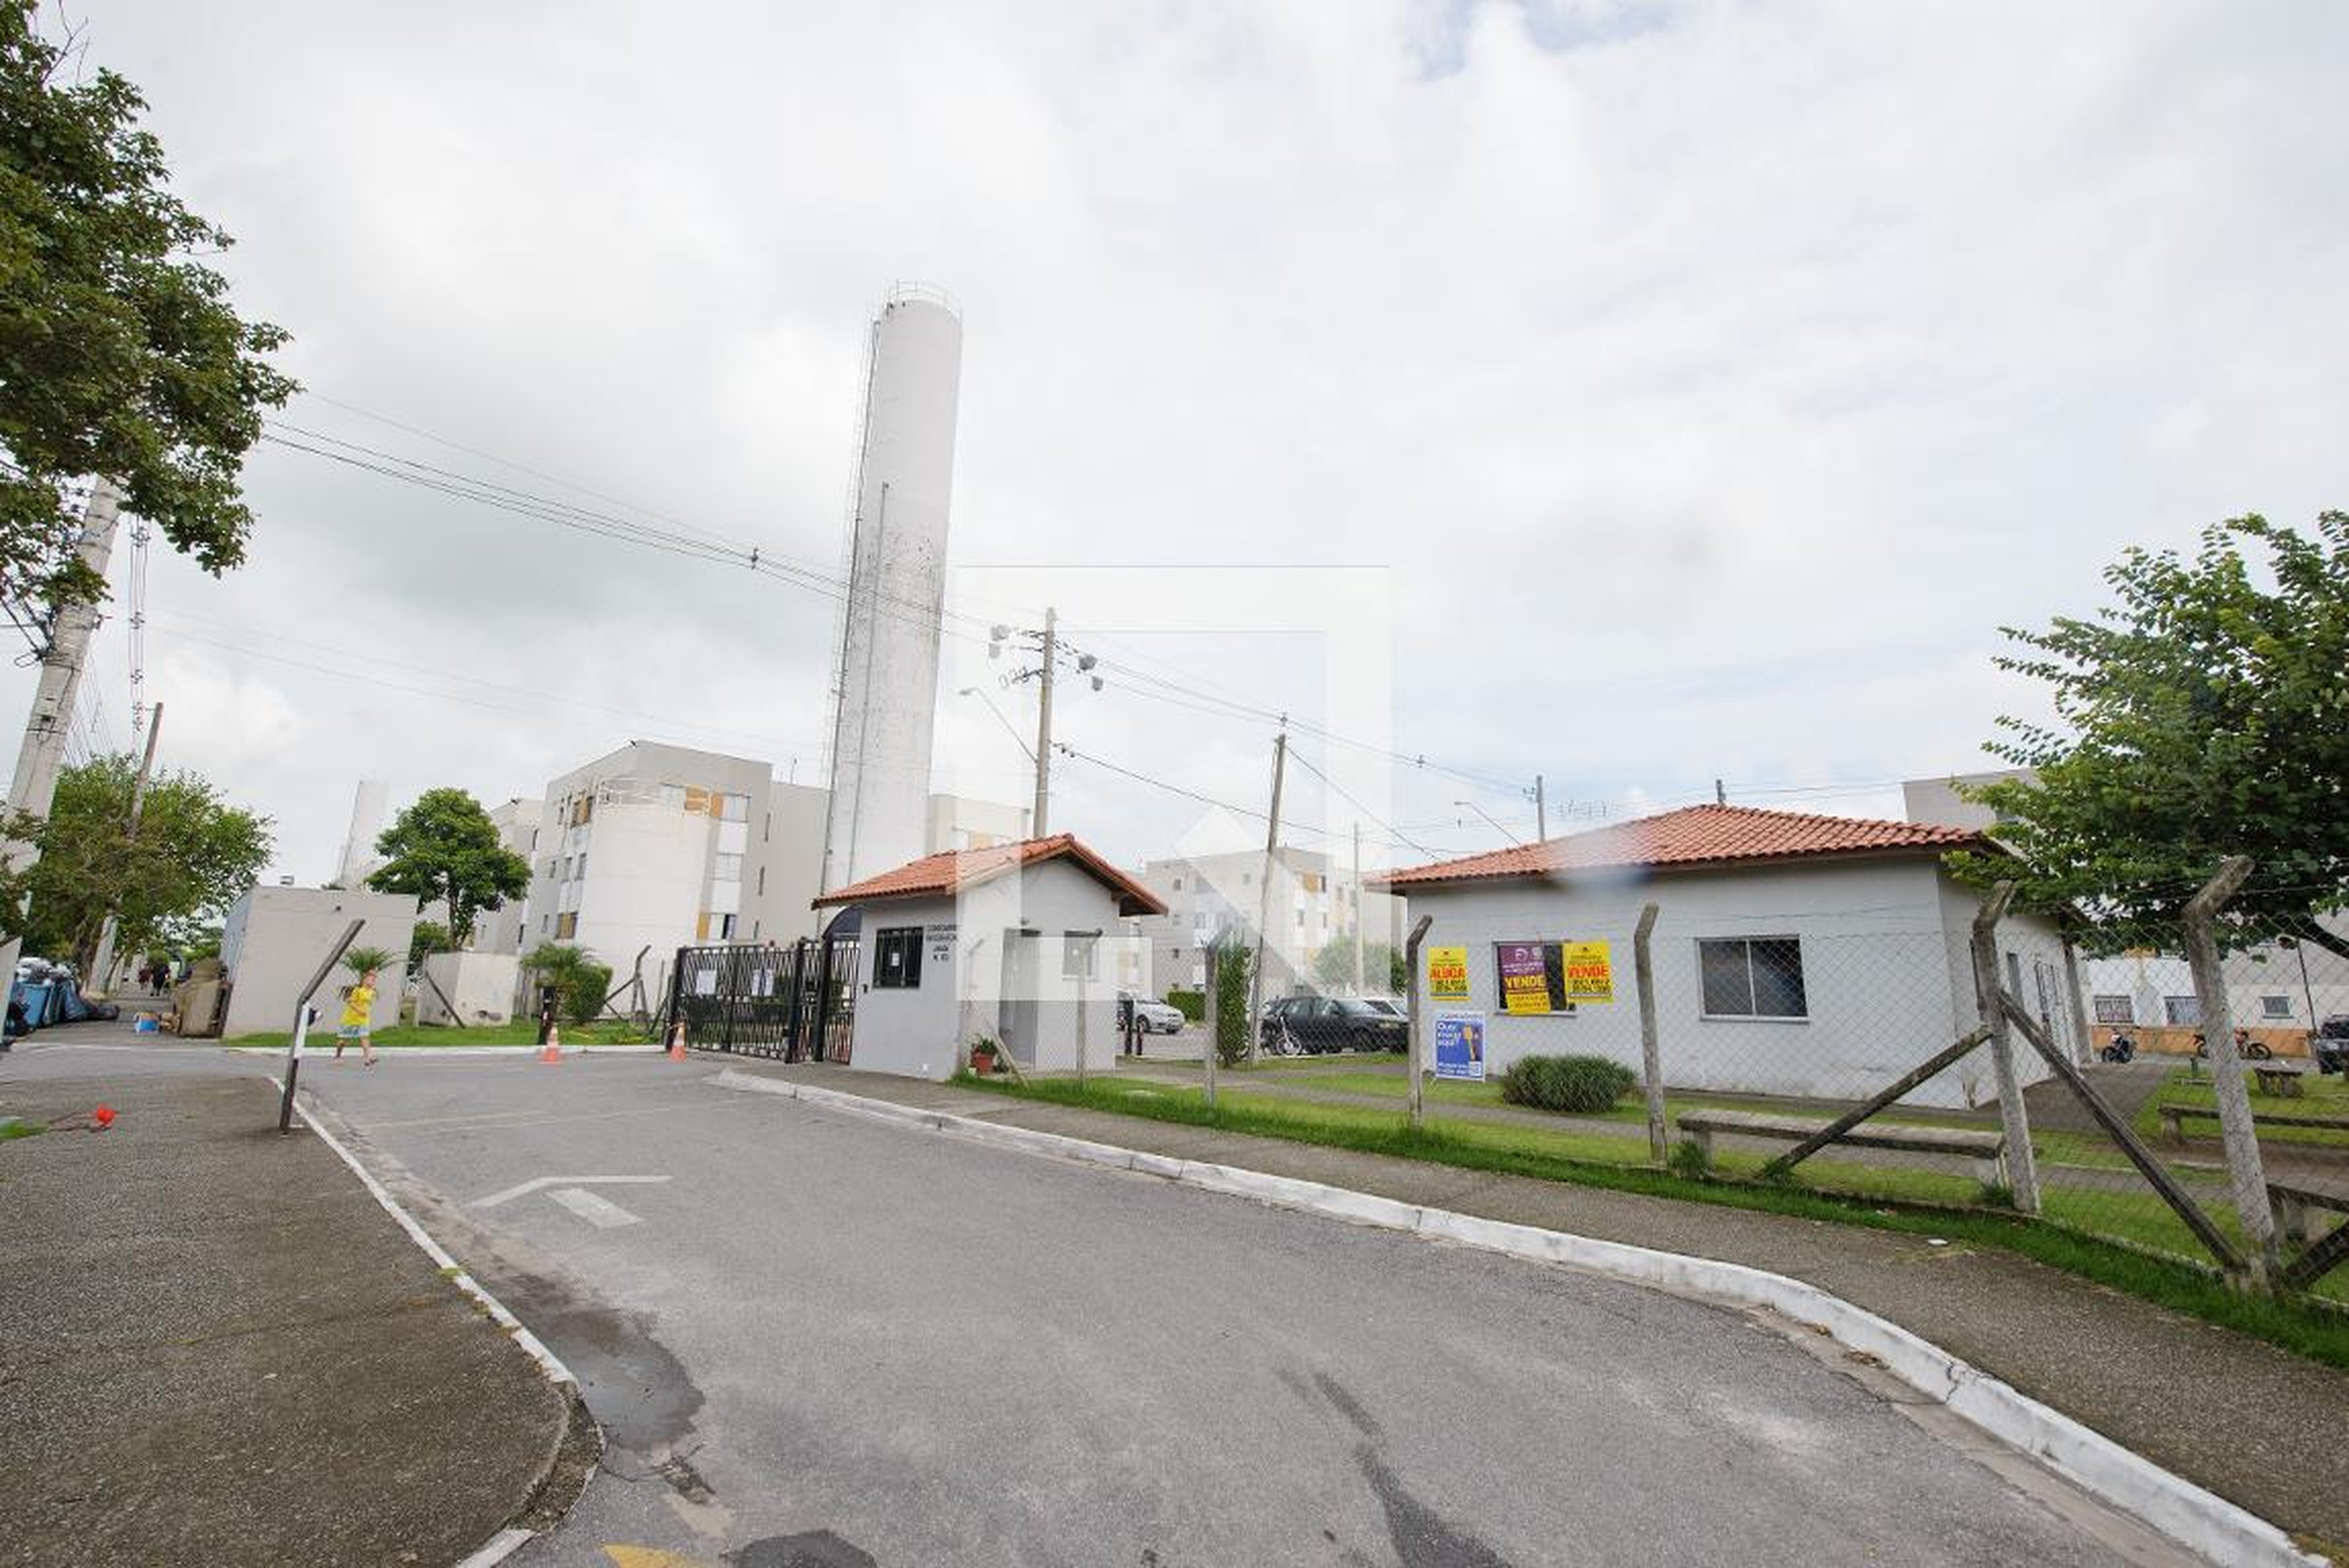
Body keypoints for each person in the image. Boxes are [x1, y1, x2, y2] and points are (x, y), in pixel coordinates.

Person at [334, 969, 378, 1067]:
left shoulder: (371, 992)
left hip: (363, 1020)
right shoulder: (357, 991)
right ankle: (338, 1056)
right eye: (371, 980)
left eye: (374, 980)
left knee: (365, 1038)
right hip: (350, 1020)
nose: (373, 982)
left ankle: (368, 1058)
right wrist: (359, 1011)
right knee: (342, 1042)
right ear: (364, 980)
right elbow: (350, 1002)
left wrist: (364, 1012)